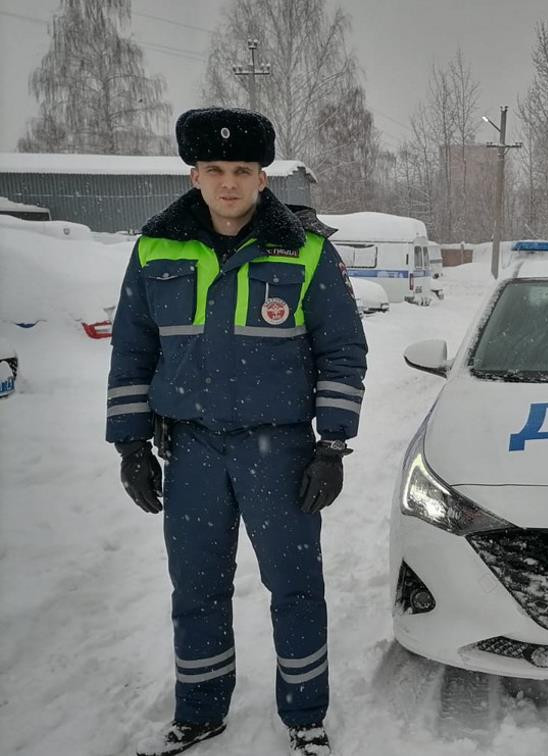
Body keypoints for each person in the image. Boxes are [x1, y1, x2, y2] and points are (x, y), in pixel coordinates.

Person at [106, 107, 367, 756]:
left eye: (243, 170)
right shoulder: (156, 248)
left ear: (263, 177)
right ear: (194, 175)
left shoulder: (304, 250)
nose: (229, 183)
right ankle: (199, 712)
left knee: (296, 587)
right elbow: (131, 351)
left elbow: (342, 351)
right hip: (191, 448)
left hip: (277, 450)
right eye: (215, 169)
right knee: (195, 588)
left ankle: (305, 715)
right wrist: (131, 443)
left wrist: (332, 444)